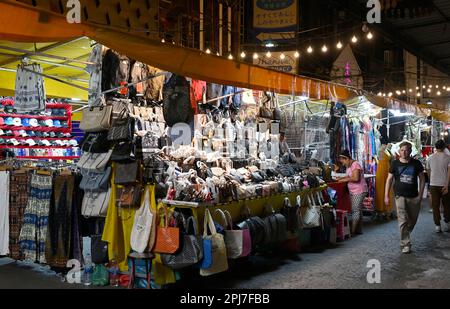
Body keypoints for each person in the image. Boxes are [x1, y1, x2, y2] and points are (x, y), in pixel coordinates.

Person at [385, 141, 425, 254]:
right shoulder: (394, 164)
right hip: (399, 195)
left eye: (406, 150)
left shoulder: (416, 164)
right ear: (399, 151)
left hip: (413, 196)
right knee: (402, 221)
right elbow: (389, 180)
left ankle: (405, 233)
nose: (404, 152)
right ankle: (405, 243)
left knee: (412, 221)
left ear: (410, 151)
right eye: (402, 150)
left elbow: (422, 179)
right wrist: (386, 195)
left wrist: (420, 195)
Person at [336, 149, 368, 235]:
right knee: (358, 210)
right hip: (354, 191)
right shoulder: (349, 166)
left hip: (359, 190)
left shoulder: (355, 164)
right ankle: (358, 230)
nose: (343, 163)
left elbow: (356, 178)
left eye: (343, 161)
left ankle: (353, 231)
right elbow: (349, 176)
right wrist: (340, 179)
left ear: (346, 158)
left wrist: (344, 179)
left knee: (355, 211)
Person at [426, 140, 450, 233]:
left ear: (435, 147)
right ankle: (447, 223)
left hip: (433, 184)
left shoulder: (430, 158)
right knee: (447, 205)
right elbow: (449, 172)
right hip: (445, 184)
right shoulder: (448, 158)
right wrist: (447, 184)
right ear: (444, 147)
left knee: (435, 206)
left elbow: (428, 170)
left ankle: (437, 226)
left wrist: (431, 179)